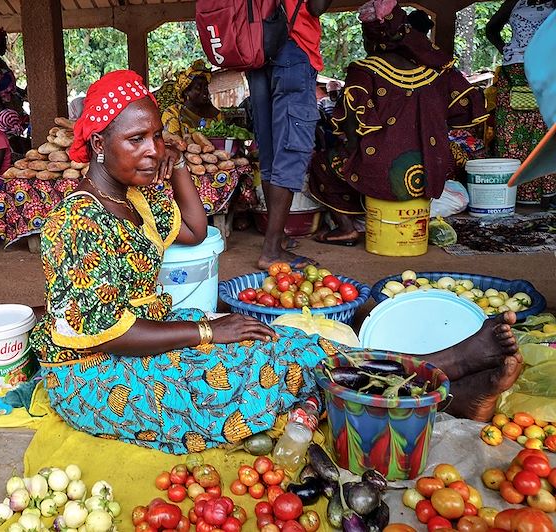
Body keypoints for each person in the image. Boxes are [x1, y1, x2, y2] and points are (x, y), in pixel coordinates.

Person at [29, 70, 523, 454]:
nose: (151, 149)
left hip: (147, 331)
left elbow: (196, 230)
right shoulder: (76, 224)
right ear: (97, 144)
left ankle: (432, 382)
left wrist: (175, 162)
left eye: (157, 135)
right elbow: (106, 334)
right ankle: (442, 370)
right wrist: (206, 333)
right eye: (136, 139)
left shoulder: (135, 200)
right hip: (93, 371)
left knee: (287, 342)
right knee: (239, 376)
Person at [308, 1, 489, 245]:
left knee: (323, 163)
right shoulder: (437, 71)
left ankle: (346, 228)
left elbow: (349, 124)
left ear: (372, 37)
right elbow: (466, 107)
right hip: (429, 173)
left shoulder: (364, 70)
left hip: (382, 173)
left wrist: (353, 147)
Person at [246, 0, 333, 270]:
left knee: (271, 152)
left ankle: (277, 237)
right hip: (292, 48)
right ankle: (271, 250)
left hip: (256, 49)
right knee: (291, 151)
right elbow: (316, 7)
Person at [487, 0, 555, 207]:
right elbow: (491, 29)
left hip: (545, 72)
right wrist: (505, 48)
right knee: (510, 134)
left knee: (545, 132)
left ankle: (548, 196)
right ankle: (512, 196)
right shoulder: (515, 2)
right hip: (513, 72)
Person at [0, 28, 29, 154]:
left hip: (11, 104)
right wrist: (2, 111)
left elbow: (9, 86)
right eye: (1, 43)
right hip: (0, 106)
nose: (4, 46)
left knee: (16, 138)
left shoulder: (1, 62)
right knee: (8, 140)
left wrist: (23, 93)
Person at [161, 60, 223, 137]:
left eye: (206, 87)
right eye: (198, 87)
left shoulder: (216, 115)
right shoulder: (172, 113)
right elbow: (175, 142)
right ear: (186, 91)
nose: (204, 91)